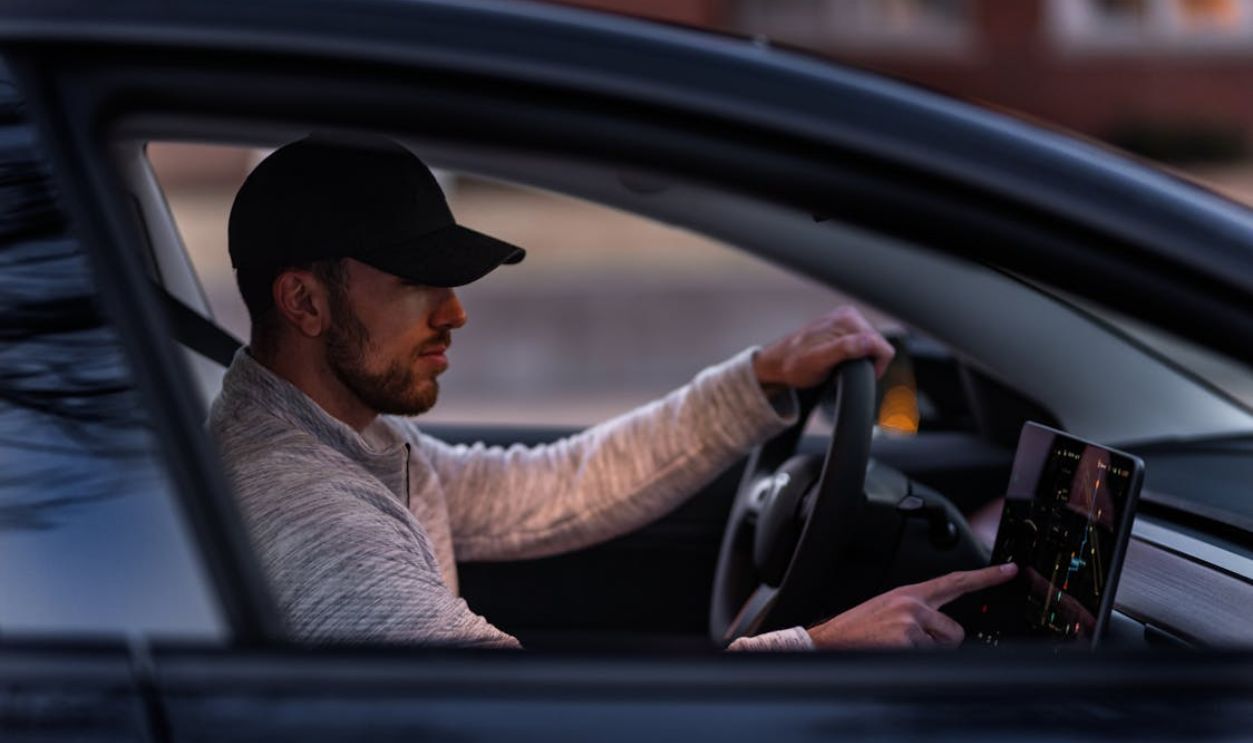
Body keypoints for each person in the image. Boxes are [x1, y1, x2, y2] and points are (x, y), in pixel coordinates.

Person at [209, 135, 1016, 651]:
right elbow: (528, 720)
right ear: (304, 303)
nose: (456, 313)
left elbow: (554, 487)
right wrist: (819, 651)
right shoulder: (307, 507)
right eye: (421, 284)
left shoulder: (351, 436)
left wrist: (759, 377)